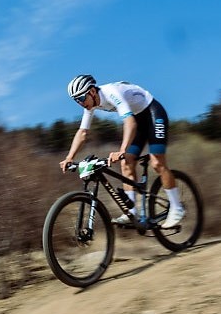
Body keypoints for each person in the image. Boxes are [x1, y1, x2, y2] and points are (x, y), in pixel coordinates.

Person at [58, 74, 185, 228]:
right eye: (76, 100)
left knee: (157, 162)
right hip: (138, 120)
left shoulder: (111, 93)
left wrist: (122, 150)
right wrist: (69, 157)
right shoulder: (91, 104)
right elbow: (83, 132)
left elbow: (129, 122)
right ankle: (131, 212)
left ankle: (177, 207)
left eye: (81, 98)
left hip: (153, 113)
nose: (80, 103)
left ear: (92, 91)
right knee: (126, 163)